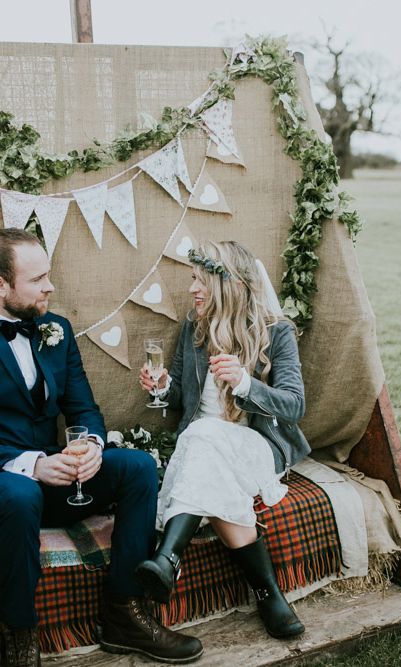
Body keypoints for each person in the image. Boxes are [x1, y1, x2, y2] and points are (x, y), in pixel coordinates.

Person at [0, 229, 202, 667]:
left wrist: (90, 445)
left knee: (137, 468)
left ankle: (124, 613)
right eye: (38, 279)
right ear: (2, 285)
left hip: (57, 481)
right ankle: (17, 635)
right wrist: (31, 466)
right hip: (9, 488)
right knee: (18, 494)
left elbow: (83, 408)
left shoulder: (56, 330)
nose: (50, 286)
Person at [137, 240, 311, 640]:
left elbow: (294, 405)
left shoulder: (276, 332)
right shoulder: (193, 328)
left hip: (255, 446)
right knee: (203, 438)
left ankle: (168, 557)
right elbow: (181, 394)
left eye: (200, 280)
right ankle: (268, 592)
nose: (193, 289)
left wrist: (246, 383)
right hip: (202, 448)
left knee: (203, 434)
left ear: (227, 284)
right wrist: (162, 387)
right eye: (192, 280)